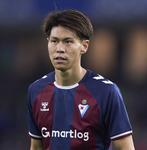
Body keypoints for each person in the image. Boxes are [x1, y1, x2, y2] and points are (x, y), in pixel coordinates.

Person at [27, 9, 135, 150]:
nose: (59, 49)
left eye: (67, 42)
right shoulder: (36, 90)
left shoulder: (106, 92)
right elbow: (36, 147)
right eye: (54, 41)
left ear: (84, 46)